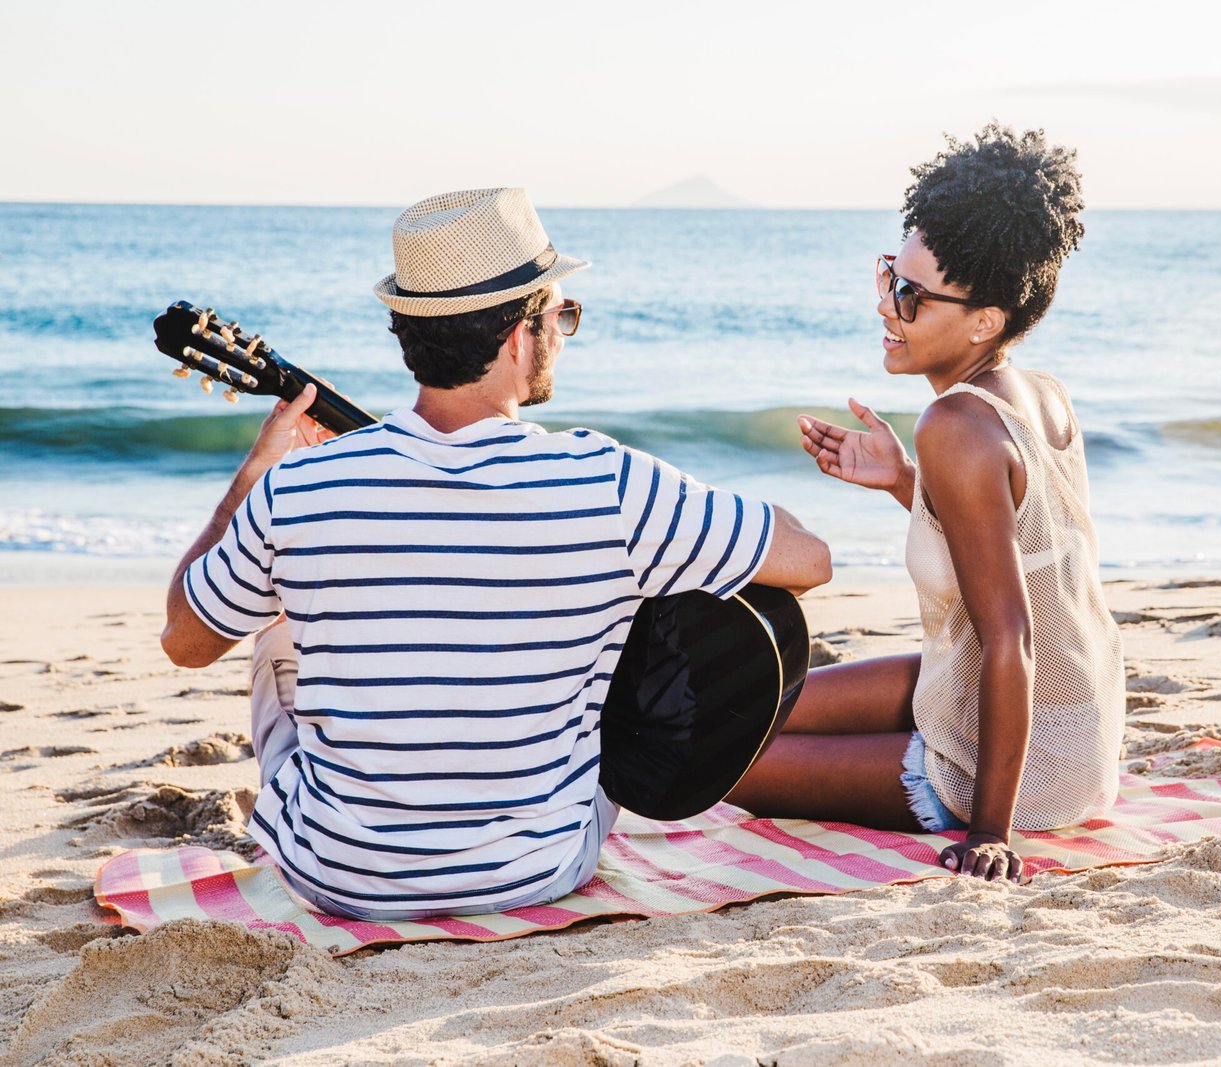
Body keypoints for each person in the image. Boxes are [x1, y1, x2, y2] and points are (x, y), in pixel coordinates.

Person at [160, 188, 831, 920]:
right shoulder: (608, 482)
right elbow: (809, 558)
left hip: (339, 877)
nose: (563, 335)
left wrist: (247, 486)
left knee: (276, 636)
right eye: (560, 316)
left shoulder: (296, 487)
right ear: (519, 338)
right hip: (537, 868)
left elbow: (185, 642)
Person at [727, 125, 1125, 882]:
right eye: (889, 275)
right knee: (754, 705)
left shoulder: (957, 425)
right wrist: (906, 480)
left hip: (1027, 760)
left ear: (984, 320)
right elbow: (1018, 550)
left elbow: (1013, 636)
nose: (886, 305)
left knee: (728, 767)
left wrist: (990, 831)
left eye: (911, 295)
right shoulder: (1036, 394)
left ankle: (980, 797)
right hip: (1073, 725)